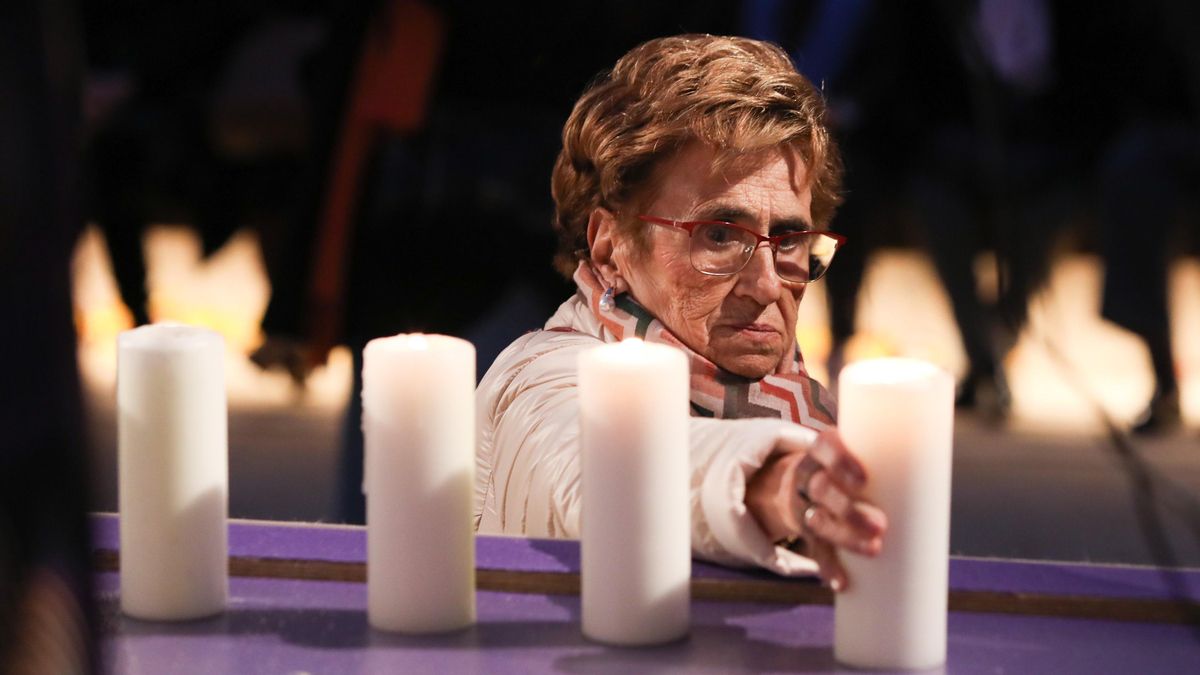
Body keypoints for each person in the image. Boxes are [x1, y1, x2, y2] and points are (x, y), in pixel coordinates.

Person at [474, 35, 886, 589]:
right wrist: (771, 483)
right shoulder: (543, 375)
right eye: (719, 235)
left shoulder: (800, 402)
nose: (766, 284)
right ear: (609, 246)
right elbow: (599, 465)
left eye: (788, 240)